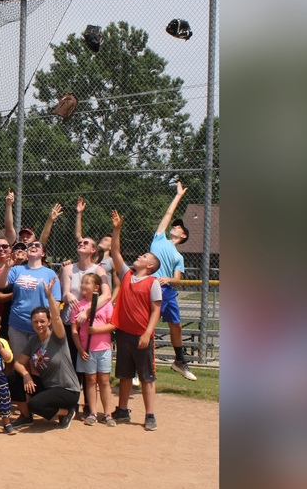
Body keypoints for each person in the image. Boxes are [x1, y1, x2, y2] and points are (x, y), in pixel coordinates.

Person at [109, 210, 163, 431]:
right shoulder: (127, 275)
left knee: (147, 377)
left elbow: (156, 311)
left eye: (145, 257)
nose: (140, 257)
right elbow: (115, 252)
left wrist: (146, 334)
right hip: (123, 334)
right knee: (123, 374)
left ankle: (150, 415)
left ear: (150, 266)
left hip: (142, 336)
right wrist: (116, 229)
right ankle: (122, 411)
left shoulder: (153, 282)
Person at [0, 239, 61, 421]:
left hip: (40, 329)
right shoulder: (17, 270)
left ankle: (39, 404)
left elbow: (56, 302)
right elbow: (0, 285)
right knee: (20, 366)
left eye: (37, 245)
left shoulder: (49, 273)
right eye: (30, 245)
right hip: (17, 325)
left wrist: (51, 327)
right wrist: (7, 268)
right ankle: (25, 411)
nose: (33, 246)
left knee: (39, 367)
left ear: (43, 253)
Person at [12, 278, 81, 429]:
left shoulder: (57, 337)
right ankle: (25, 417)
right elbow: (18, 363)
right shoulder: (34, 342)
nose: (39, 325)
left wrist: (50, 296)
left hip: (67, 390)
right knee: (13, 376)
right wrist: (26, 375)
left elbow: (57, 317)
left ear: (49, 322)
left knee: (36, 405)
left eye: (43, 321)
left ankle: (67, 411)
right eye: (35, 322)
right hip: (48, 387)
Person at [152, 182, 198, 381]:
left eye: (179, 227)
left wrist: (168, 278)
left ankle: (179, 361)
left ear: (183, 235)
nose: (175, 226)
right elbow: (169, 214)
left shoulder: (179, 257)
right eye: (175, 225)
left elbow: (177, 280)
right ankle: (137, 368)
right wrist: (178, 196)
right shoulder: (159, 239)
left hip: (168, 290)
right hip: (153, 287)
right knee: (148, 326)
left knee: (176, 326)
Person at [62, 229, 112, 410]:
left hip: (89, 320)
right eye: (79, 242)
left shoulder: (98, 269)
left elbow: (106, 295)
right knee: (74, 363)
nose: (81, 244)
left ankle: (89, 406)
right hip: (72, 321)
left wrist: (88, 311)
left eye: (86, 243)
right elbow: (66, 292)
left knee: (90, 368)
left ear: (93, 250)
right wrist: (68, 296)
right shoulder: (69, 268)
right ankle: (72, 402)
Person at [69, 272, 117, 426]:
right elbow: (74, 330)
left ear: (96, 287)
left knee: (104, 380)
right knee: (90, 380)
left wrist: (97, 330)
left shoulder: (105, 305)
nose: (83, 285)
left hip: (103, 348)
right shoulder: (79, 305)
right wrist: (80, 349)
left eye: (87, 283)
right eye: (82, 282)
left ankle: (108, 413)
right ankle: (92, 412)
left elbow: (113, 325)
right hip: (86, 350)